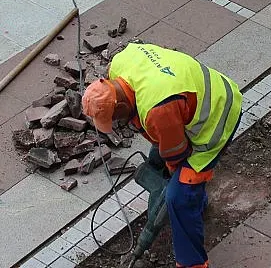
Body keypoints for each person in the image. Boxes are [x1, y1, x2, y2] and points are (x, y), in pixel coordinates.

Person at [82, 42, 242, 268]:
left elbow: (176, 156)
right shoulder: (118, 64)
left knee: (178, 196)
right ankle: (197, 204)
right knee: (163, 164)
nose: (118, 124)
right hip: (201, 91)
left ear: (118, 106)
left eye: (115, 119)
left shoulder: (157, 109)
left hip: (217, 116)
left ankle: (192, 262)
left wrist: (170, 189)